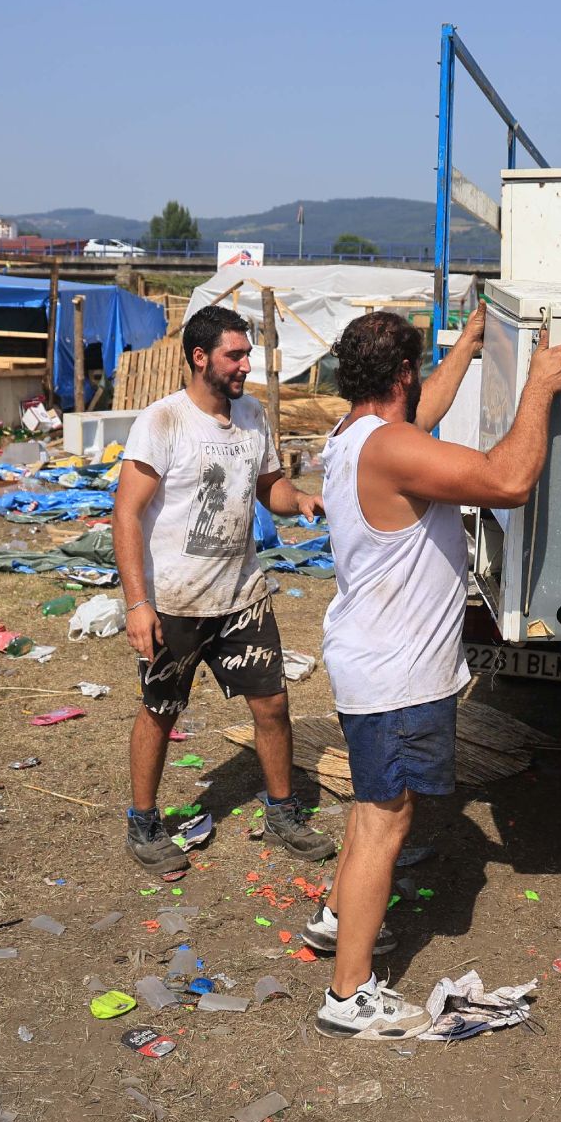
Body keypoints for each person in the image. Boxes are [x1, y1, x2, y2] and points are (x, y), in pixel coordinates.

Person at [305, 303, 561, 1039]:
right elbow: (509, 478)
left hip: (373, 663)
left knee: (373, 812)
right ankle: (348, 994)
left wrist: (468, 344)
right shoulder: (392, 448)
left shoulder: (356, 433)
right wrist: (540, 389)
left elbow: (419, 411)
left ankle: (337, 923)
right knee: (383, 821)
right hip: (395, 677)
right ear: (401, 373)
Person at [113, 305, 333, 874]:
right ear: (199, 357)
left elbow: (270, 487)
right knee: (161, 709)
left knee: (274, 705)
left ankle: (282, 812)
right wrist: (139, 605)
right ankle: (143, 822)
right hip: (175, 602)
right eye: (235, 355)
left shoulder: (253, 415)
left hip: (241, 596)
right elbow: (126, 516)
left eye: (247, 355)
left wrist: (301, 499)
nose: (244, 365)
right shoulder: (162, 422)